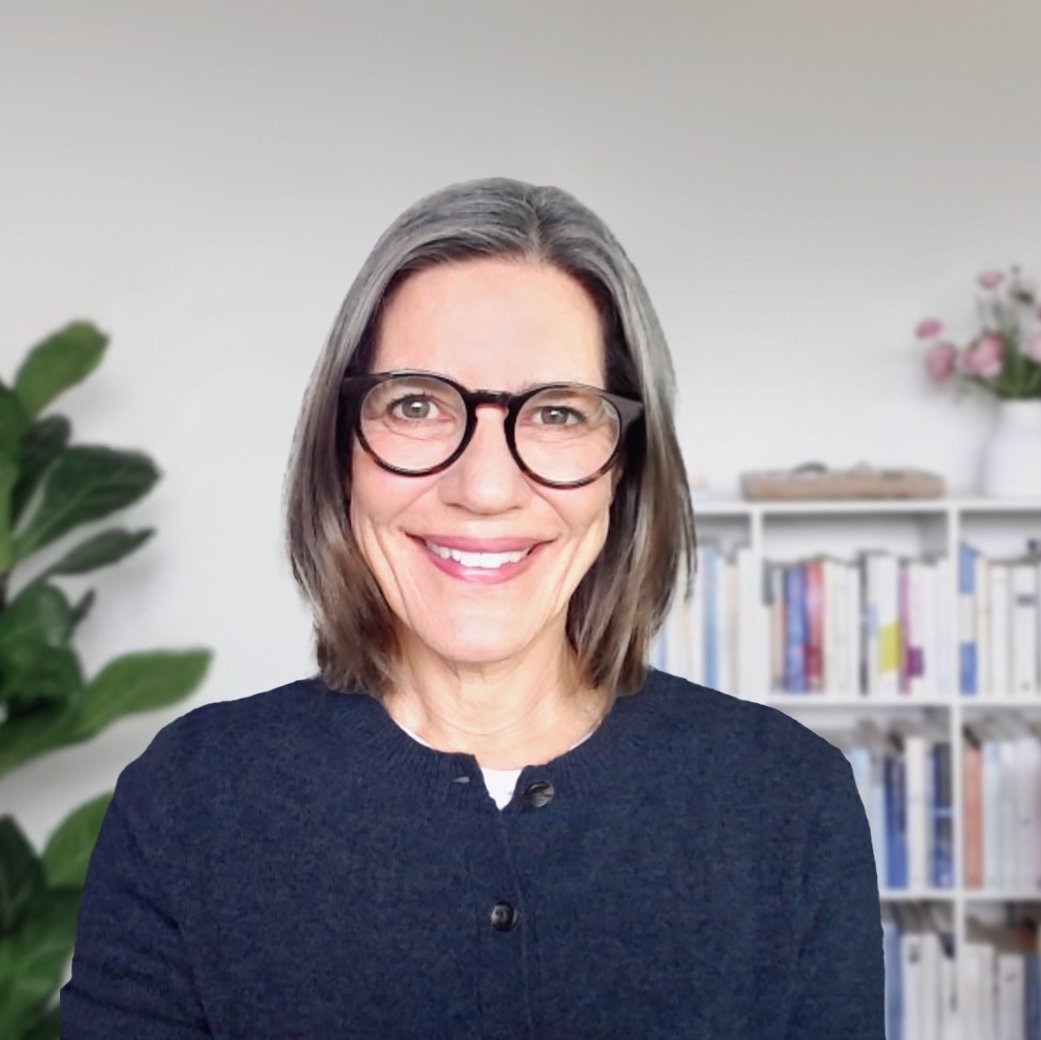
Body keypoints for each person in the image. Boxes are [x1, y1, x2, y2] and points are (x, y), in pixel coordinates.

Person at [61, 177, 884, 1039]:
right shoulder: (191, 800)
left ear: (625, 469)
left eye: (559, 413)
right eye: (416, 404)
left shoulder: (786, 803)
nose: (484, 489)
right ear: (341, 450)